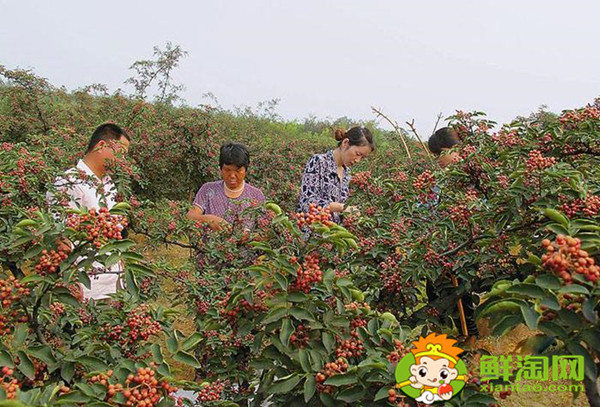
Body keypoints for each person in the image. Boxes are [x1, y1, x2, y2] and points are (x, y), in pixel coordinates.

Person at [47, 123, 131, 300]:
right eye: (121, 153)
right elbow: (60, 237)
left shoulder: (110, 184)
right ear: (101, 146)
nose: (123, 160)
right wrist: (69, 281)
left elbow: (114, 231)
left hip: (113, 283)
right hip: (86, 288)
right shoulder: (68, 182)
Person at [426, 126, 479, 339]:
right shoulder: (439, 178)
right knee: (436, 288)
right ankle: (452, 333)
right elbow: (429, 209)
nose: (437, 160)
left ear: (452, 150)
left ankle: (471, 337)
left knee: (462, 294)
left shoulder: (471, 175)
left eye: (440, 154)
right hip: (441, 244)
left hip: (463, 244)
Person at [297, 127, 375, 223]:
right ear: (345, 143)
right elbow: (307, 203)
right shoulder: (319, 162)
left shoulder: (347, 173)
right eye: (357, 154)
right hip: (313, 233)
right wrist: (343, 208)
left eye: (362, 157)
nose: (358, 160)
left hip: (334, 235)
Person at [186, 142, 265, 230]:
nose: (232, 175)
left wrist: (249, 237)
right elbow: (190, 216)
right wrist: (209, 219)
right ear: (221, 169)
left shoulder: (256, 195)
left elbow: (265, 230)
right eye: (227, 170)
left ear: (246, 170)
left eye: (238, 171)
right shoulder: (208, 190)